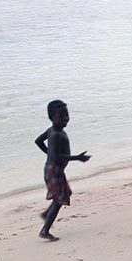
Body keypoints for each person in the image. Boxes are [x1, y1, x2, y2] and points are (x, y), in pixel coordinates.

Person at [34, 100, 90, 240]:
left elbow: (38, 141)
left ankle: (47, 214)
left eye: (67, 115)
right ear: (52, 118)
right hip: (54, 171)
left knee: (66, 193)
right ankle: (45, 230)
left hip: (53, 169)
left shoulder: (52, 130)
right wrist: (76, 157)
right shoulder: (56, 135)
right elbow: (58, 156)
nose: (65, 119)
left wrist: (48, 153)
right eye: (61, 116)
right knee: (59, 200)